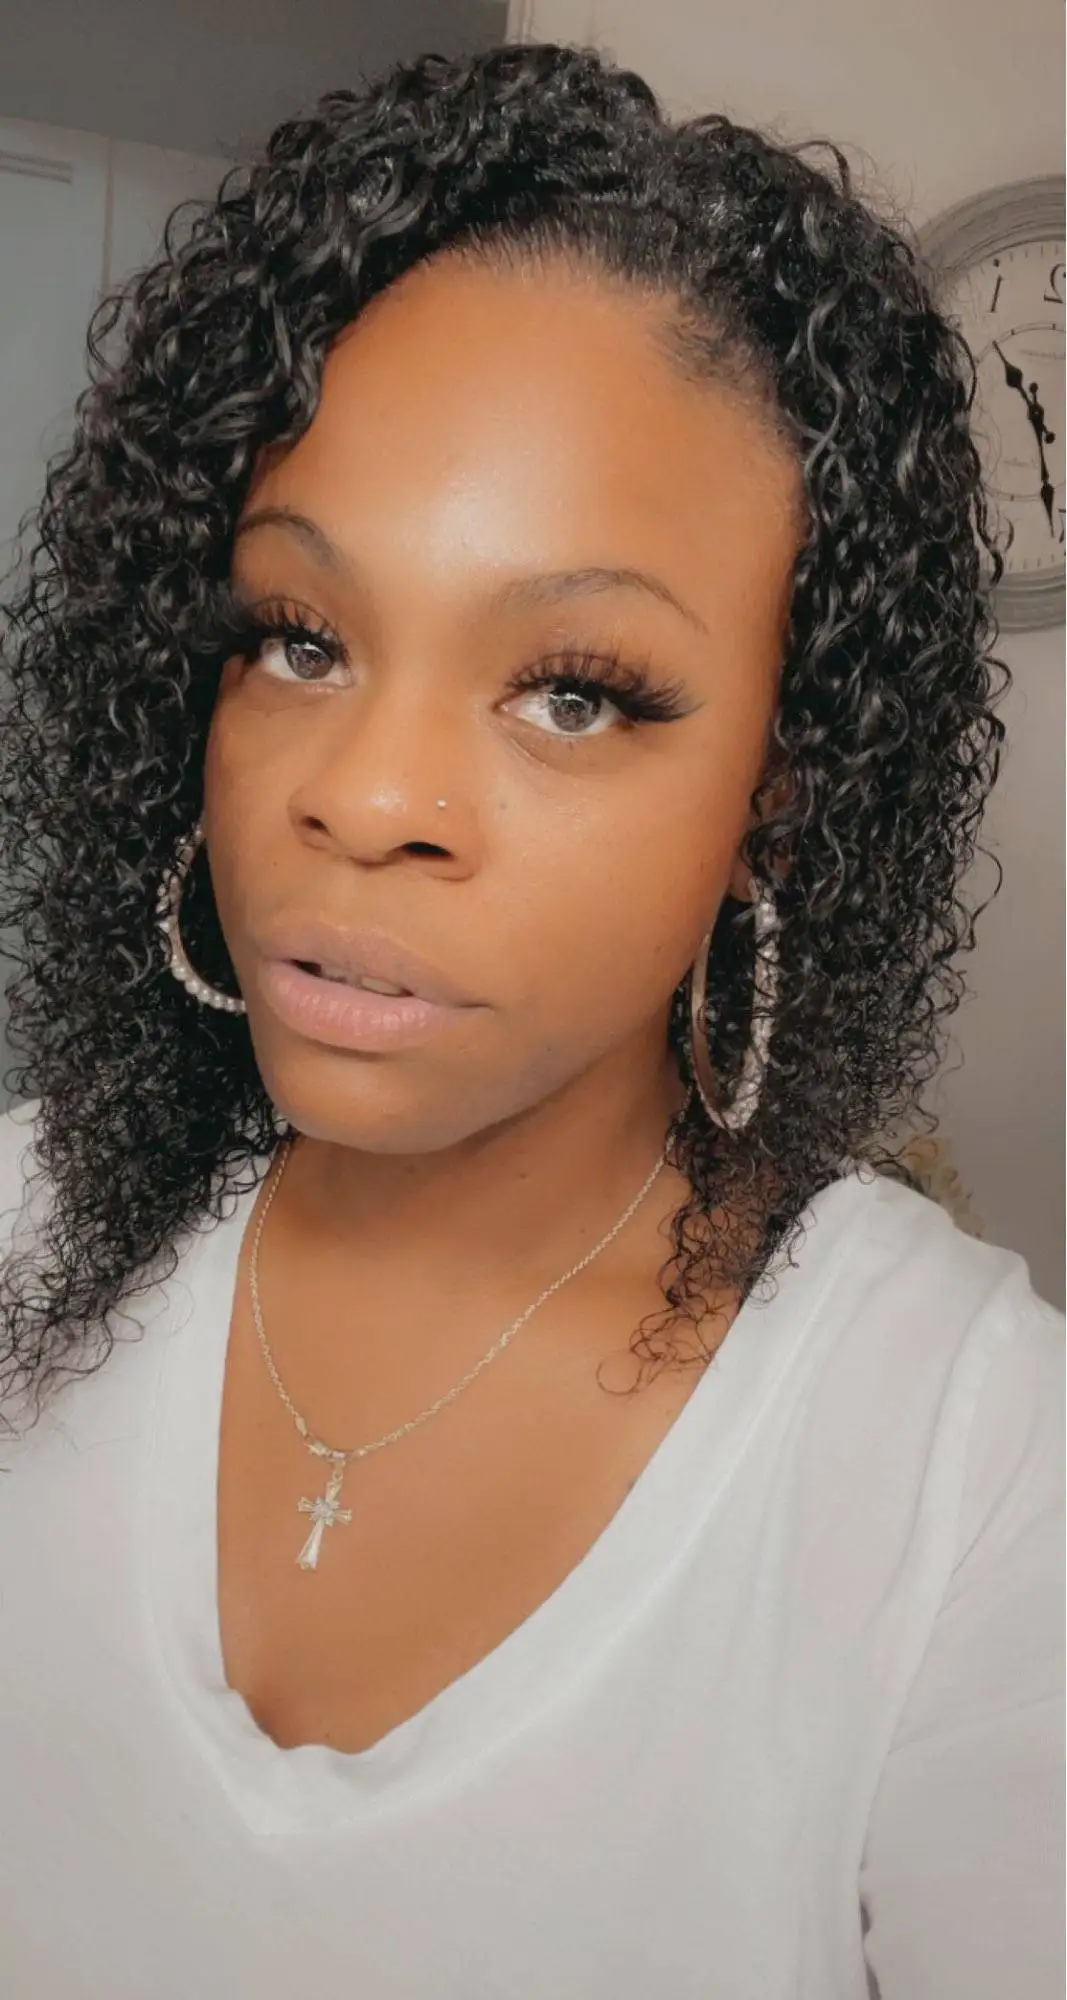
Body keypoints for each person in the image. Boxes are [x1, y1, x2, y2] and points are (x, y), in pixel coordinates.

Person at [0, 38, 1061, 2000]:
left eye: (574, 690)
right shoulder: (24, 1225)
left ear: (777, 788)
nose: (362, 797)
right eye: (295, 638)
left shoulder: (965, 1458)